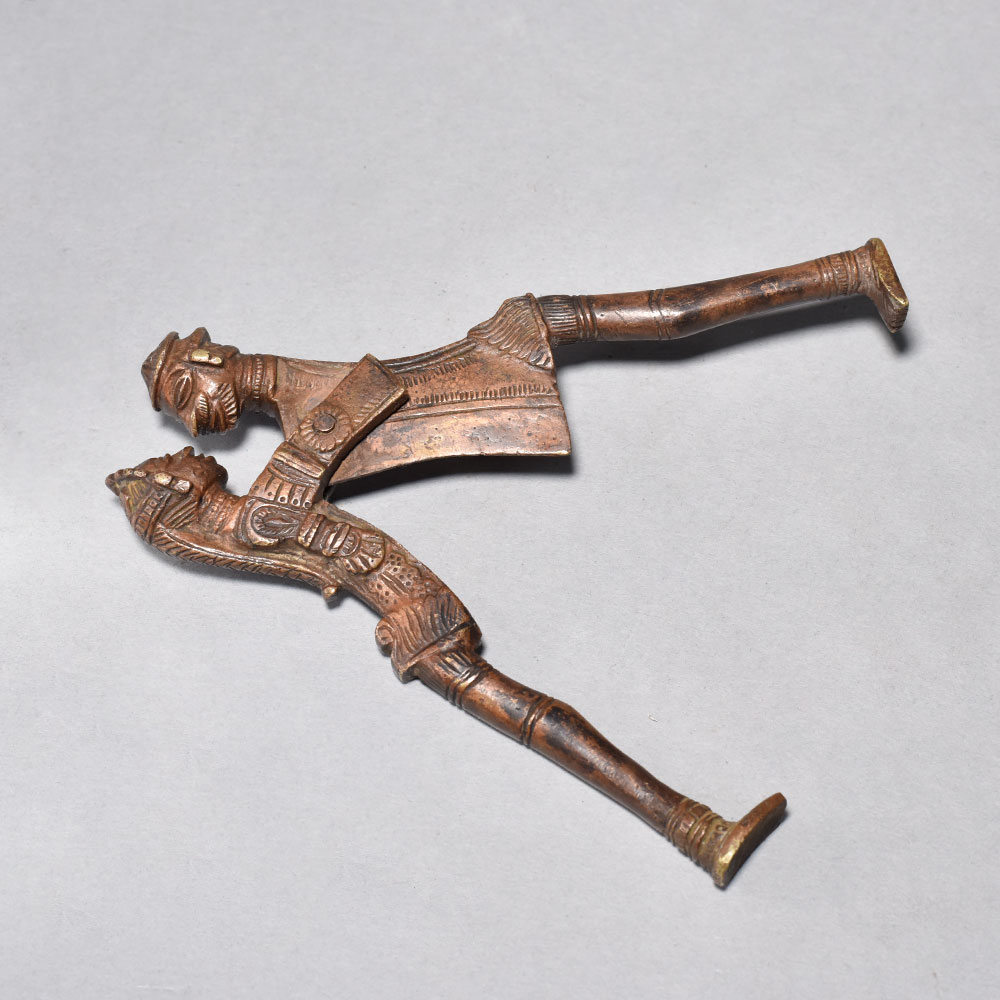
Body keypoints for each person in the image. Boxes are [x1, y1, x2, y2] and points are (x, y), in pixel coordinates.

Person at [140, 237, 908, 486]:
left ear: (209, 359)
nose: (194, 421)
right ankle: (847, 272)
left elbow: (370, 394)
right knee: (672, 322)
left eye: (184, 393)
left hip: (511, 343)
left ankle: (848, 270)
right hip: (496, 355)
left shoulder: (306, 413)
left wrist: (292, 475)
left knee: (672, 316)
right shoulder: (299, 414)